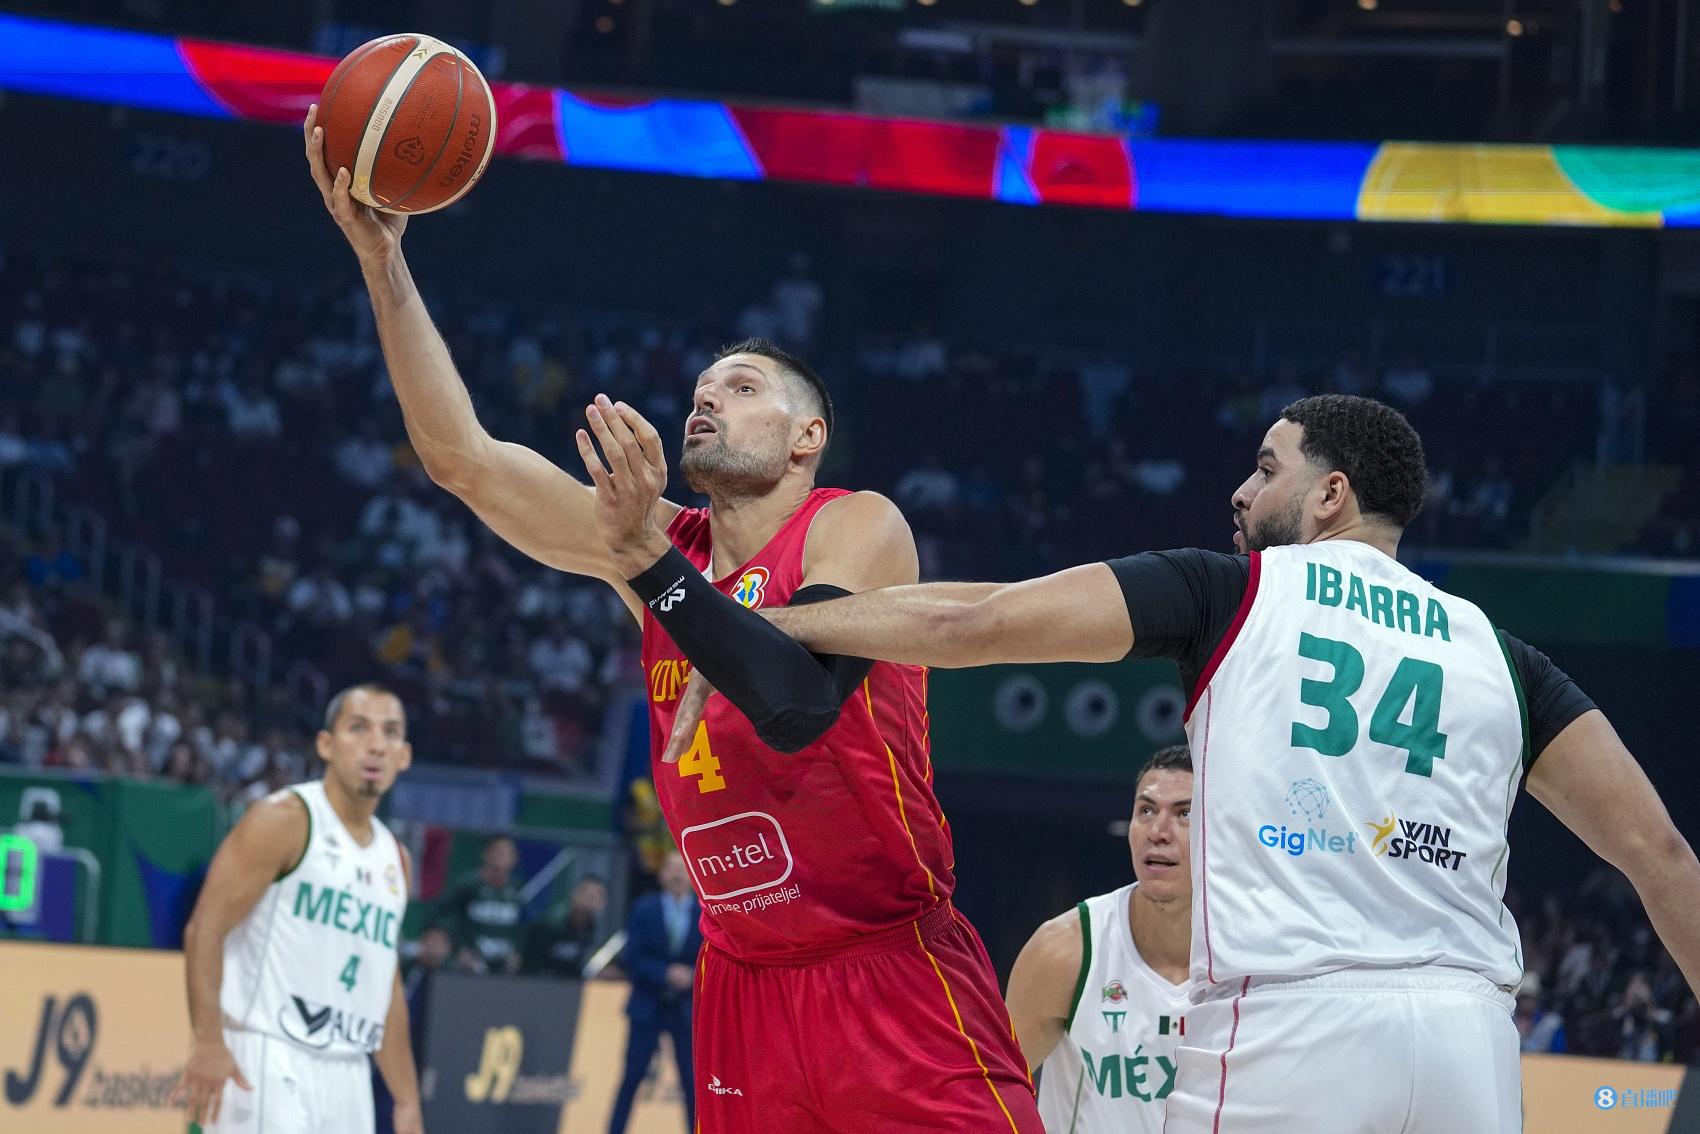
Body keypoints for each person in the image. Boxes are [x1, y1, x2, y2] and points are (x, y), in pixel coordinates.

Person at [304, 107, 1041, 1134]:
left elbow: (795, 696)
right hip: (738, 982)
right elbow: (462, 458)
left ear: (805, 437)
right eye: (700, 390)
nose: (707, 401)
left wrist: (643, 560)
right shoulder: (650, 547)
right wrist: (383, 262)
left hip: (884, 963)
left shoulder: (854, 525)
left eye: (741, 388)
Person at [690, 393, 1700, 1132]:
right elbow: (1658, 855)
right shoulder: (1503, 657)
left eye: (1266, 467)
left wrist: (771, 620)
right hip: (1468, 1046)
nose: (1239, 489)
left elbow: (977, 620)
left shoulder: (1230, 592)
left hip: (1294, 1025)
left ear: (1329, 495)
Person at [172, 684, 422, 1134]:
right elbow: (205, 928)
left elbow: (385, 983)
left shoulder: (395, 858)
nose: (376, 745)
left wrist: (406, 1100)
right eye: (359, 728)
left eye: (390, 732)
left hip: (349, 1070)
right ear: (326, 744)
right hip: (267, 1054)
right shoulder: (285, 820)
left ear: (404, 756)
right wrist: (208, 1041)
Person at [1006, 745, 1191, 1133]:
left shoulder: (1257, 960)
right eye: (1146, 810)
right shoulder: (1066, 950)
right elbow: (988, 1096)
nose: (1158, 832)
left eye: (1184, 814)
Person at [609, 852, 702, 1134]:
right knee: (632, 1077)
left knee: (692, 1082)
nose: (677, 874)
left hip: (685, 1008)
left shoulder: (705, 911)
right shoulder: (644, 908)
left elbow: (713, 957)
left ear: (693, 876)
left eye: (682, 869)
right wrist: (665, 973)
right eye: (671, 868)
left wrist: (693, 974)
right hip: (647, 1004)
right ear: (661, 875)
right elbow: (632, 957)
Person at [439, 834, 526, 974]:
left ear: (514, 858)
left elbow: (523, 927)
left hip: (504, 966)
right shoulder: (467, 886)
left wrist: (517, 952)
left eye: (507, 854)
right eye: (498, 853)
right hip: (469, 964)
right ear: (486, 854)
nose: (502, 859)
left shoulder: (518, 890)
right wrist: (459, 949)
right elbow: (443, 917)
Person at [525, 873, 611, 978]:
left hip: (576, 984)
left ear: (602, 903)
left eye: (594, 896)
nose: (588, 900)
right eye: (586, 894)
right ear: (574, 894)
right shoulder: (548, 925)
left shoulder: (599, 934)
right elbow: (531, 967)